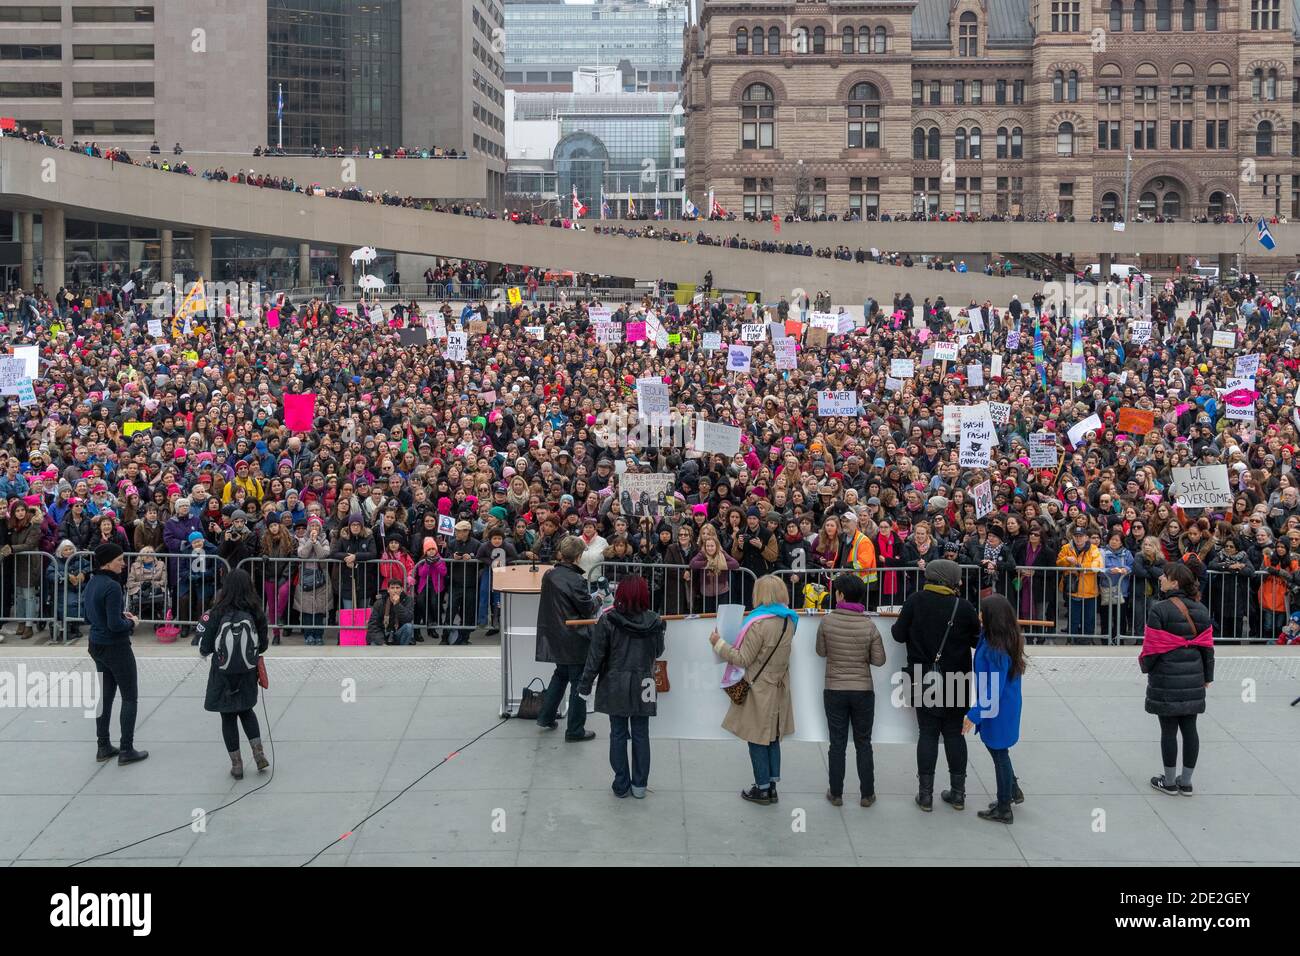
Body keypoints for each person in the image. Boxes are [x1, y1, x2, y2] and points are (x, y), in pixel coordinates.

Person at [891, 558, 980, 811]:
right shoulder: (963, 607)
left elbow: (898, 635)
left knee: (927, 732)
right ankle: (958, 793)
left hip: (921, 676)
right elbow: (976, 640)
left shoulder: (915, 601)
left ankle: (925, 794)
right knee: (954, 733)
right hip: (957, 677)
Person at [708, 574, 799, 805]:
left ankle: (761, 788)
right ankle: (772, 786)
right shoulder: (789, 621)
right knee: (773, 737)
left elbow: (743, 658)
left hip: (759, 688)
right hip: (779, 686)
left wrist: (719, 643)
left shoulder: (758, 624)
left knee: (757, 737)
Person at [578, 574, 666, 799]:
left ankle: (621, 783)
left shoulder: (608, 621)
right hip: (644, 682)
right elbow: (658, 651)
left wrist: (585, 684)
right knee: (641, 733)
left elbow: (595, 656)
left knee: (617, 733)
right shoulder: (655, 621)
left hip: (615, 681)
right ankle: (639, 785)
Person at [1141, 562, 1214, 796]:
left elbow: (1151, 648)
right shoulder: (1201, 609)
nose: (1160, 578)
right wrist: (1207, 677)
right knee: (1190, 728)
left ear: (1175, 582)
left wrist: (1145, 667)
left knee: (1168, 730)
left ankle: (1169, 781)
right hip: (1193, 677)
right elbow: (1207, 649)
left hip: (1166, 677)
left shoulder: (1159, 609)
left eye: (1165, 576)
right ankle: (1187, 781)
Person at [816, 573, 886, 807]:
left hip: (834, 688)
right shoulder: (869, 624)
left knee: (837, 743)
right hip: (863, 690)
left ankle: (836, 793)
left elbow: (821, 651)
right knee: (863, 742)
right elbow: (879, 660)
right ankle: (867, 793)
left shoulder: (827, 621)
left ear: (841, 595)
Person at [195, 569, 270, 779]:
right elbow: (262, 646)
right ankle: (258, 753)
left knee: (227, 717)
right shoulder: (256, 611)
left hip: (222, 672)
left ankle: (236, 764)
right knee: (247, 711)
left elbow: (206, 646)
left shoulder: (218, 611)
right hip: (247, 671)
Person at [83, 543, 148, 765]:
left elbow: (88, 617)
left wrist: (119, 615)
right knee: (129, 697)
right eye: (120, 559)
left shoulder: (92, 583)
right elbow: (114, 625)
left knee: (106, 697)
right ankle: (127, 749)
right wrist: (131, 622)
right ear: (108, 562)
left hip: (96, 644)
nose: (123, 563)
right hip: (115, 646)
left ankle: (103, 745)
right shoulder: (112, 586)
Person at [964, 595, 1027, 824]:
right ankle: (1013, 791)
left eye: (982, 612)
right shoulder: (1001, 638)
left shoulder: (995, 649)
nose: (979, 616)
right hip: (1003, 706)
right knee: (1001, 752)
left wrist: (974, 714)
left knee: (999, 754)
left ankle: (1003, 807)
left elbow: (994, 690)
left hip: (998, 709)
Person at [535, 535, 599, 741]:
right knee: (578, 682)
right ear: (578, 556)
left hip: (555, 634)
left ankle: (545, 717)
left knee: (560, 675)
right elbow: (587, 608)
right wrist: (598, 598)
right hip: (575, 637)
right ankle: (575, 730)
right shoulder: (576, 580)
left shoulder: (550, 575)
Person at [366, 578, 415, 645]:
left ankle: (402, 652)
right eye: (392, 588)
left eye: (397, 588)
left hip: (397, 633)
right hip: (382, 634)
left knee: (408, 627)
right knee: (374, 644)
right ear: (388, 590)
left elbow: (408, 618)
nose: (395, 591)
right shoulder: (380, 602)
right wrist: (382, 643)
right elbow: (373, 626)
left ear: (402, 589)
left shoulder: (407, 600)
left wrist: (397, 605)